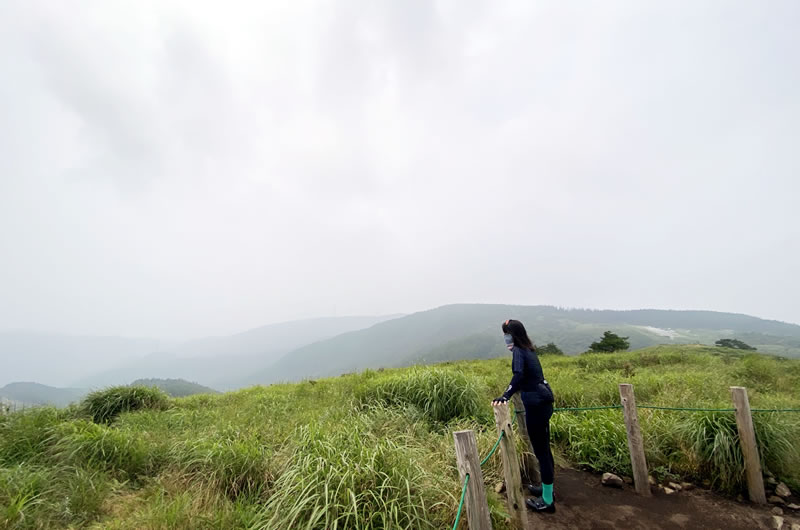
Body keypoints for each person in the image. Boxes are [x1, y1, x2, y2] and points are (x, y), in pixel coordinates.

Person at [492, 319, 556, 513]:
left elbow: (518, 375)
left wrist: (505, 395)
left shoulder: (519, 352)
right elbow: (526, 377)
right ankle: (548, 490)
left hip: (536, 405)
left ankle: (547, 501)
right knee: (544, 449)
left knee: (542, 452)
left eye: (507, 333)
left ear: (514, 335)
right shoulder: (529, 350)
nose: (505, 337)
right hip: (543, 401)